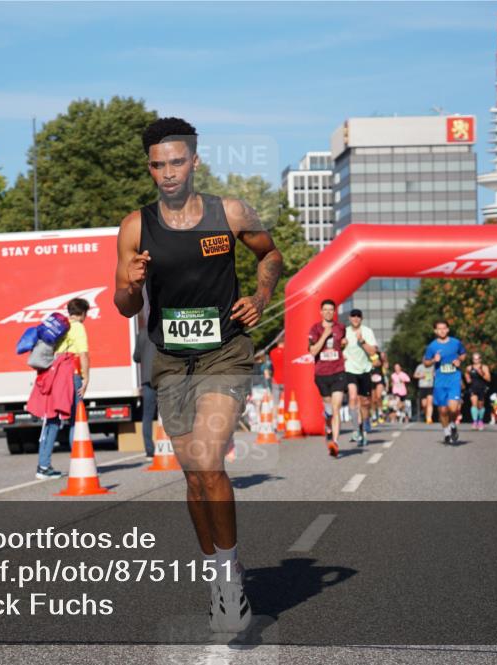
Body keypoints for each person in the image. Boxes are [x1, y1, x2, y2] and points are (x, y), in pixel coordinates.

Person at [113, 117, 283, 633]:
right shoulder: (135, 226)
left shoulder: (229, 213)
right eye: (158, 165)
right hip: (168, 360)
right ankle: (216, 571)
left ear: (194, 161)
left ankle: (229, 578)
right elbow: (123, 306)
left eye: (177, 162)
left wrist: (259, 297)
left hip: (224, 354)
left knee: (209, 460)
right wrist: (131, 282)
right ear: (149, 167)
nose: (167, 173)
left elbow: (270, 254)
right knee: (193, 477)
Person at [35, 298, 91, 480]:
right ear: (83, 313)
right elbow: (83, 354)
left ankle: (43, 465)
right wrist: (86, 378)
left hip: (55, 374)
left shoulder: (61, 328)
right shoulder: (78, 328)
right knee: (77, 418)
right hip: (71, 375)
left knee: (52, 419)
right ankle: (79, 463)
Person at [308, 299, 347, 457]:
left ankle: (335, 442)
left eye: (331, 310)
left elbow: (342, 345)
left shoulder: (341, 328)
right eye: (326, 310)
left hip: (338, 371)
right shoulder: (315, 329)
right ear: (321, 312)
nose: (329, 312)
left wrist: (344, 344)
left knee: (336, 407)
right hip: (321, 374)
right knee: (329, 409)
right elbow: (313, 351)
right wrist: (325, 335)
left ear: (334, 312)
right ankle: (328, 425)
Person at [423, 320, 467, 445]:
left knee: (453, 408)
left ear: (448, 329)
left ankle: (453, 425)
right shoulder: (432, 346)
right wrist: (433, 360)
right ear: (435, 331)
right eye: (439, 329)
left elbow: (463, 354)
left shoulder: (456, 343)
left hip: (454, 379)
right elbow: (426, 363)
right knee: (442, 411)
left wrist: (459, 359)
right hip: (440, 382)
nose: (442, 331)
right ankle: (446, 432)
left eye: (444, 328)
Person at [343, 308, 377, 446]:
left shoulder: (367, 331)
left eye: (358, 316)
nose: (356, 318)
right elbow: (337, 349)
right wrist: (341, 347)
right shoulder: (344, 332)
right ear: (349, 319)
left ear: (361, 319)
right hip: (349, 369)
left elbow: (373, 351)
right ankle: (356, 429)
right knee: (352, 396)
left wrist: (362, 341)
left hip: (365, 369)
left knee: (365, 402)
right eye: (353, 316)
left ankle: (364, 425)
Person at [134, 321, 158, 459]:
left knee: (147, 416)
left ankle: (150, 451)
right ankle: (170, 448)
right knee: (169, 414)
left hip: (147, 379)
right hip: (163, 377)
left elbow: (136, 357)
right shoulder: (163, 330)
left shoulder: (142, 333)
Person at [464, 353, 492, 431]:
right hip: (473, 388)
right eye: (474, 359)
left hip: (482, 388)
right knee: (474, 403)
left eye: (477, 359)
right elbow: (466, 373)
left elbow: (489, 379)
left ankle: (480, 421)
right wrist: (467, 378)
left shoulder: (484, 367)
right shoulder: (469, 368)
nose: (476, 360)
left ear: (480, 359)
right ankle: (475, 422)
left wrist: (482, 374)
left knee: (480, 406)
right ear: (472, 360)